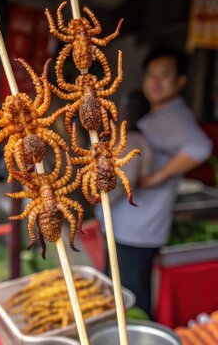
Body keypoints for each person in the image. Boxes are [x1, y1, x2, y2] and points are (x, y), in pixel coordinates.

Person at [96, 48, 212, 318]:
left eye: (165, 75)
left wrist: (154, 178)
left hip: (138, 229)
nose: (156, 81)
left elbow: (200, 147)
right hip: (125, 223)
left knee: (130, 300)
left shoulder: (176, 117)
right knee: (114, 294)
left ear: (181, 81)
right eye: (151, 75)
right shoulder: (156, 116)